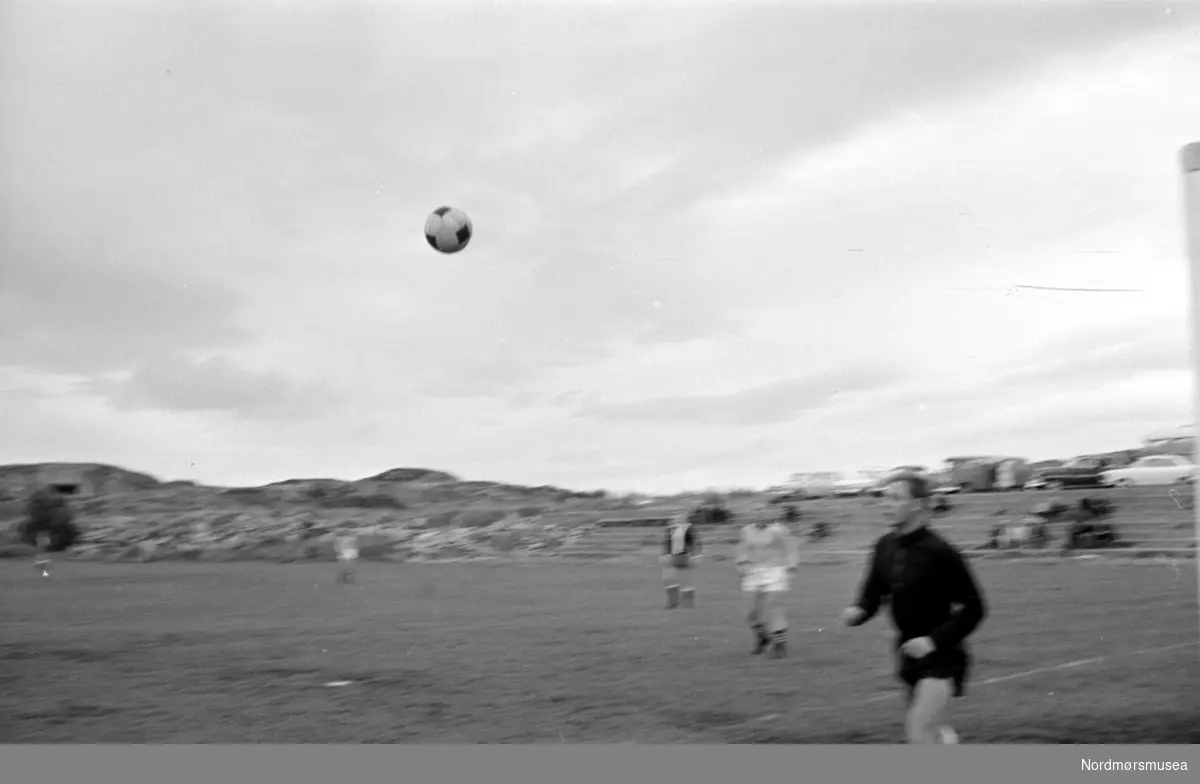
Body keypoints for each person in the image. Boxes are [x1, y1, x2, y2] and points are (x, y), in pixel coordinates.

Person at [841, 471, 986, 744]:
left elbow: (975, 608)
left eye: (895, 498)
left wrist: (932, 641)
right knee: (936, 733)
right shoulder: (884, 546)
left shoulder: (940, 551)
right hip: (907, 653)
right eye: (883, 499)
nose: (886, 505)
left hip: (942, 655)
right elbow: (872, 593)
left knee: (919, 730)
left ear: (919, 504)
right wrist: (859, 611)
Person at [735, 512, 800, 658]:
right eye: (757, 513)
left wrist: (792, 566)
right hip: (753, 572)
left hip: (775, 570)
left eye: (764, 513)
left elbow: (790, 548)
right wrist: (741, 564)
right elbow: (742, 549)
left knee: (774, 607)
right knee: (750, 611)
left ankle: (779, 646)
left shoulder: (779, 530)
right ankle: (762, 637)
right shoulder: (747, 530)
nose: (761, 516)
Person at [660, 513, 702, 608]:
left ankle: (688, 604)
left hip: (686, 556)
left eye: (678, 518)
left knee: (686, 580)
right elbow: (666, 543)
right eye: (674, 518)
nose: (675, 520)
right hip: (672, 556)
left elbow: (696, 544)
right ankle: (673, 603)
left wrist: (695, 557)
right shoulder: (670, 529)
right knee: (669, 579)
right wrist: (665, 555)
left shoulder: (690, 529)